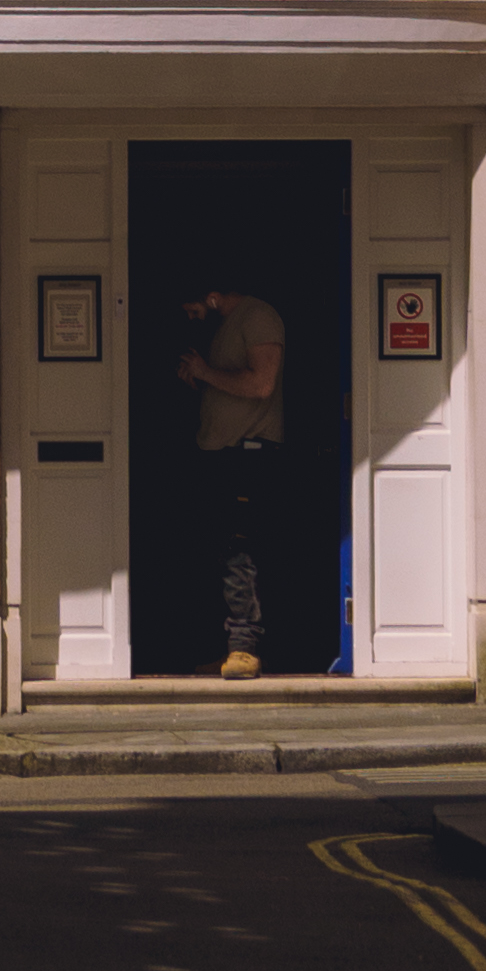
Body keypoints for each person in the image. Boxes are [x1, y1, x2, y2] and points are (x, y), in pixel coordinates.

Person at [177, 281, 287, 678]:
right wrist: (199, 379)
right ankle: (228, 646)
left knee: (240, 551)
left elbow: (261, 384)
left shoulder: (257, 317)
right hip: (221, 455)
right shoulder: (226, 326)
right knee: (221, 553)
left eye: (193, 309)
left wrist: (206, 372)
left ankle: (245, 648)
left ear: (211, 295)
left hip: (249, 457)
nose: (191, 319)